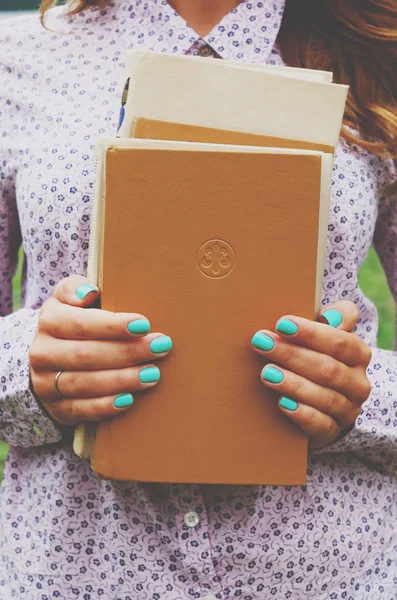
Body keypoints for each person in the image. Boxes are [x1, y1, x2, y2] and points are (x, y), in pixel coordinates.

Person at [0, 0, 396, 597]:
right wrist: (28, 370)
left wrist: (360, 396)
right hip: (76, 572)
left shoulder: (379, 50)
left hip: (330, 575)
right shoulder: (15, 59)